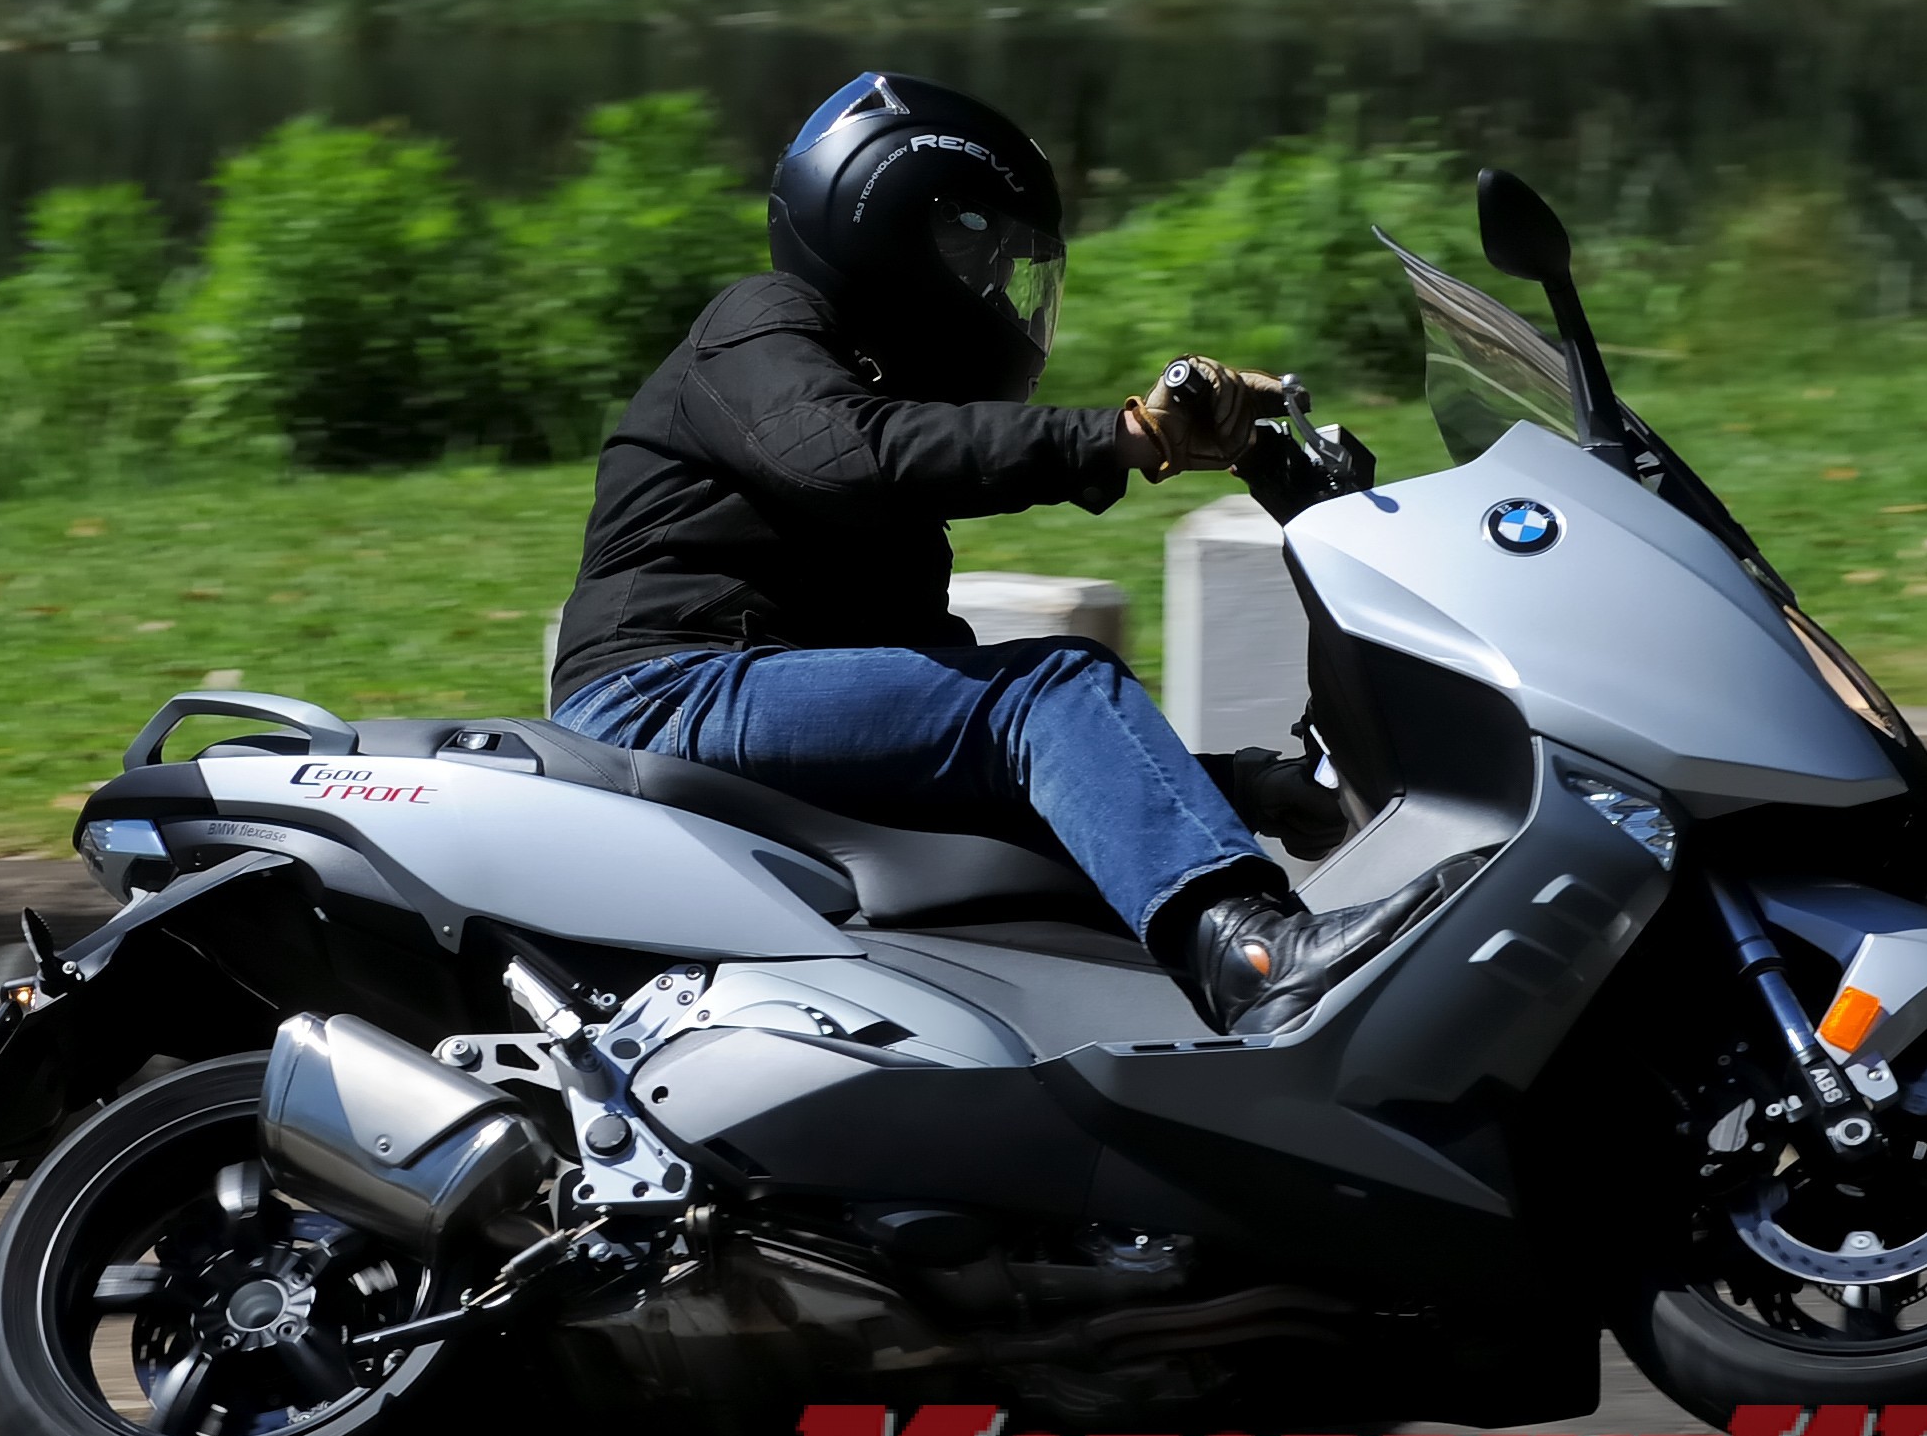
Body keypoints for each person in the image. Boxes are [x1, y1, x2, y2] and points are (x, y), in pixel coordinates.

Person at [545, 70, 1452, 1037]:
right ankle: (1258, 958)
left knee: (1038, 771)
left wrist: (1243, 784)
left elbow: (976, 736)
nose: (1006, 299)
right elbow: (848, 458)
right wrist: (1124, 437)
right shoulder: (761, 328)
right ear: (898, 229)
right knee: (1053, 683)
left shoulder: (873, 435)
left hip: (746, 695)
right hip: (663, 691)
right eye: (986, 258)